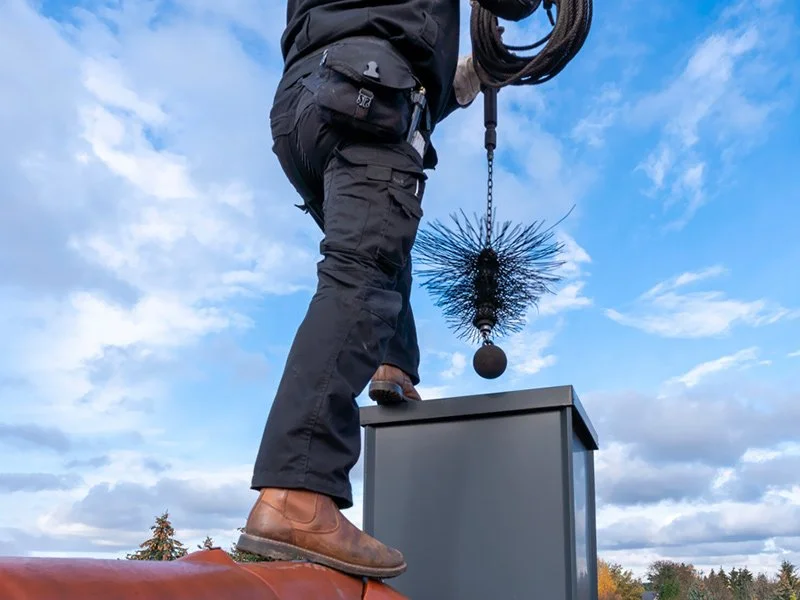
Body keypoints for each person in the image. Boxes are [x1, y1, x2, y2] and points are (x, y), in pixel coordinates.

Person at [236, 0, 482, 580]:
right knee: (362, 273)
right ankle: (297, 494)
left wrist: (461, 80)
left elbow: (371, 22)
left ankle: (393, 366)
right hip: (367, 90)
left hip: (302, 107)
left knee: (378, 245)